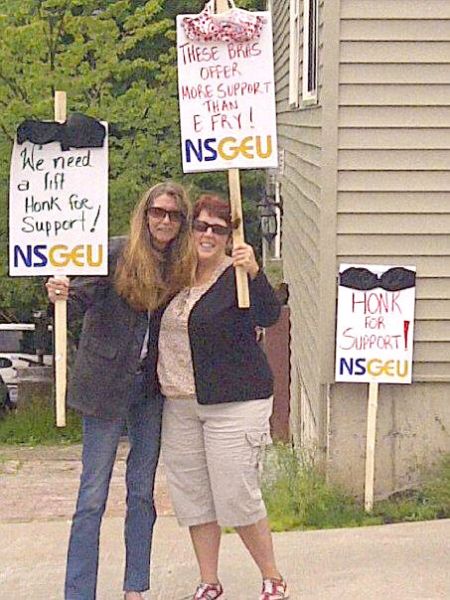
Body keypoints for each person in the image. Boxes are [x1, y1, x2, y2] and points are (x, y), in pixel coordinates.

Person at [46, 181, 194, 600]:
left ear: (181, 222)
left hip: (149, 389)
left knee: (142, 492)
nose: (164, 221)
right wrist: (61, 293)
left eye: (173, 214)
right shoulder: (114, 252)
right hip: (104, 384)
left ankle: (135, 587)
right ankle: (79, 592)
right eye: (157, 212)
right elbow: (79, 300)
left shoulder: (182, 266)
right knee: (92, 494)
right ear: (144, 214)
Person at [146, 194, 289, 600]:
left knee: (236, 494)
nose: (207, 234)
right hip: (180, 403)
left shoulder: (238, 276)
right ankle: (209, 580)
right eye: (201, 225)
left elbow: (268, 315)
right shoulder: (175, 275)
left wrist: (256, 271)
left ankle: (272, 577)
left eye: (218, 229)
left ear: (230, 236)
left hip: (234, 403)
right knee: (194, 500)